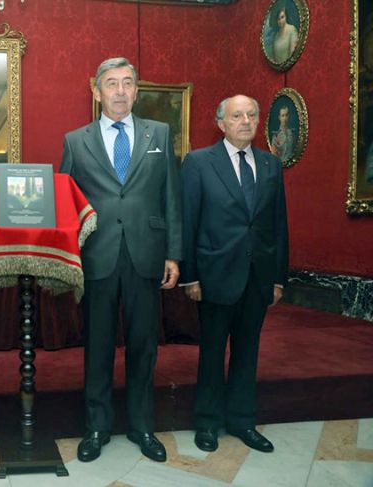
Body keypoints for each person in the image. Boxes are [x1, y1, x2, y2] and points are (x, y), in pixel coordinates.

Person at [60, 57, 182, 463]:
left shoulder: (160, 133)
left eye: (128, 83)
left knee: (144, 346)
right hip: (97, 255)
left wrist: (173, 254)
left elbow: (171, 198)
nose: (120, 91)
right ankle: (96, 427)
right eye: (111, 83)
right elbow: (66, 205)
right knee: (97, 346)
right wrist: (68, 257)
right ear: (96, 91)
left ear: (136, 90)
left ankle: (143, 426)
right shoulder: (75, 141)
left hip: (146, 255)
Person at [180, 95, 289, 454]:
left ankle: (242, 421)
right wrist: (190, 276)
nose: (246, 120)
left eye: (252, 115)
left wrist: (278, 278)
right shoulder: (198, 163)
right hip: (213, 276)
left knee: (248, 352)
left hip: (257, 277)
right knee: (212, 353)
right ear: (221, 123)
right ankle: (208, 422)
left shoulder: (271, 165)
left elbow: (278, 225)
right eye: (237, 115)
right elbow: (189, 220)